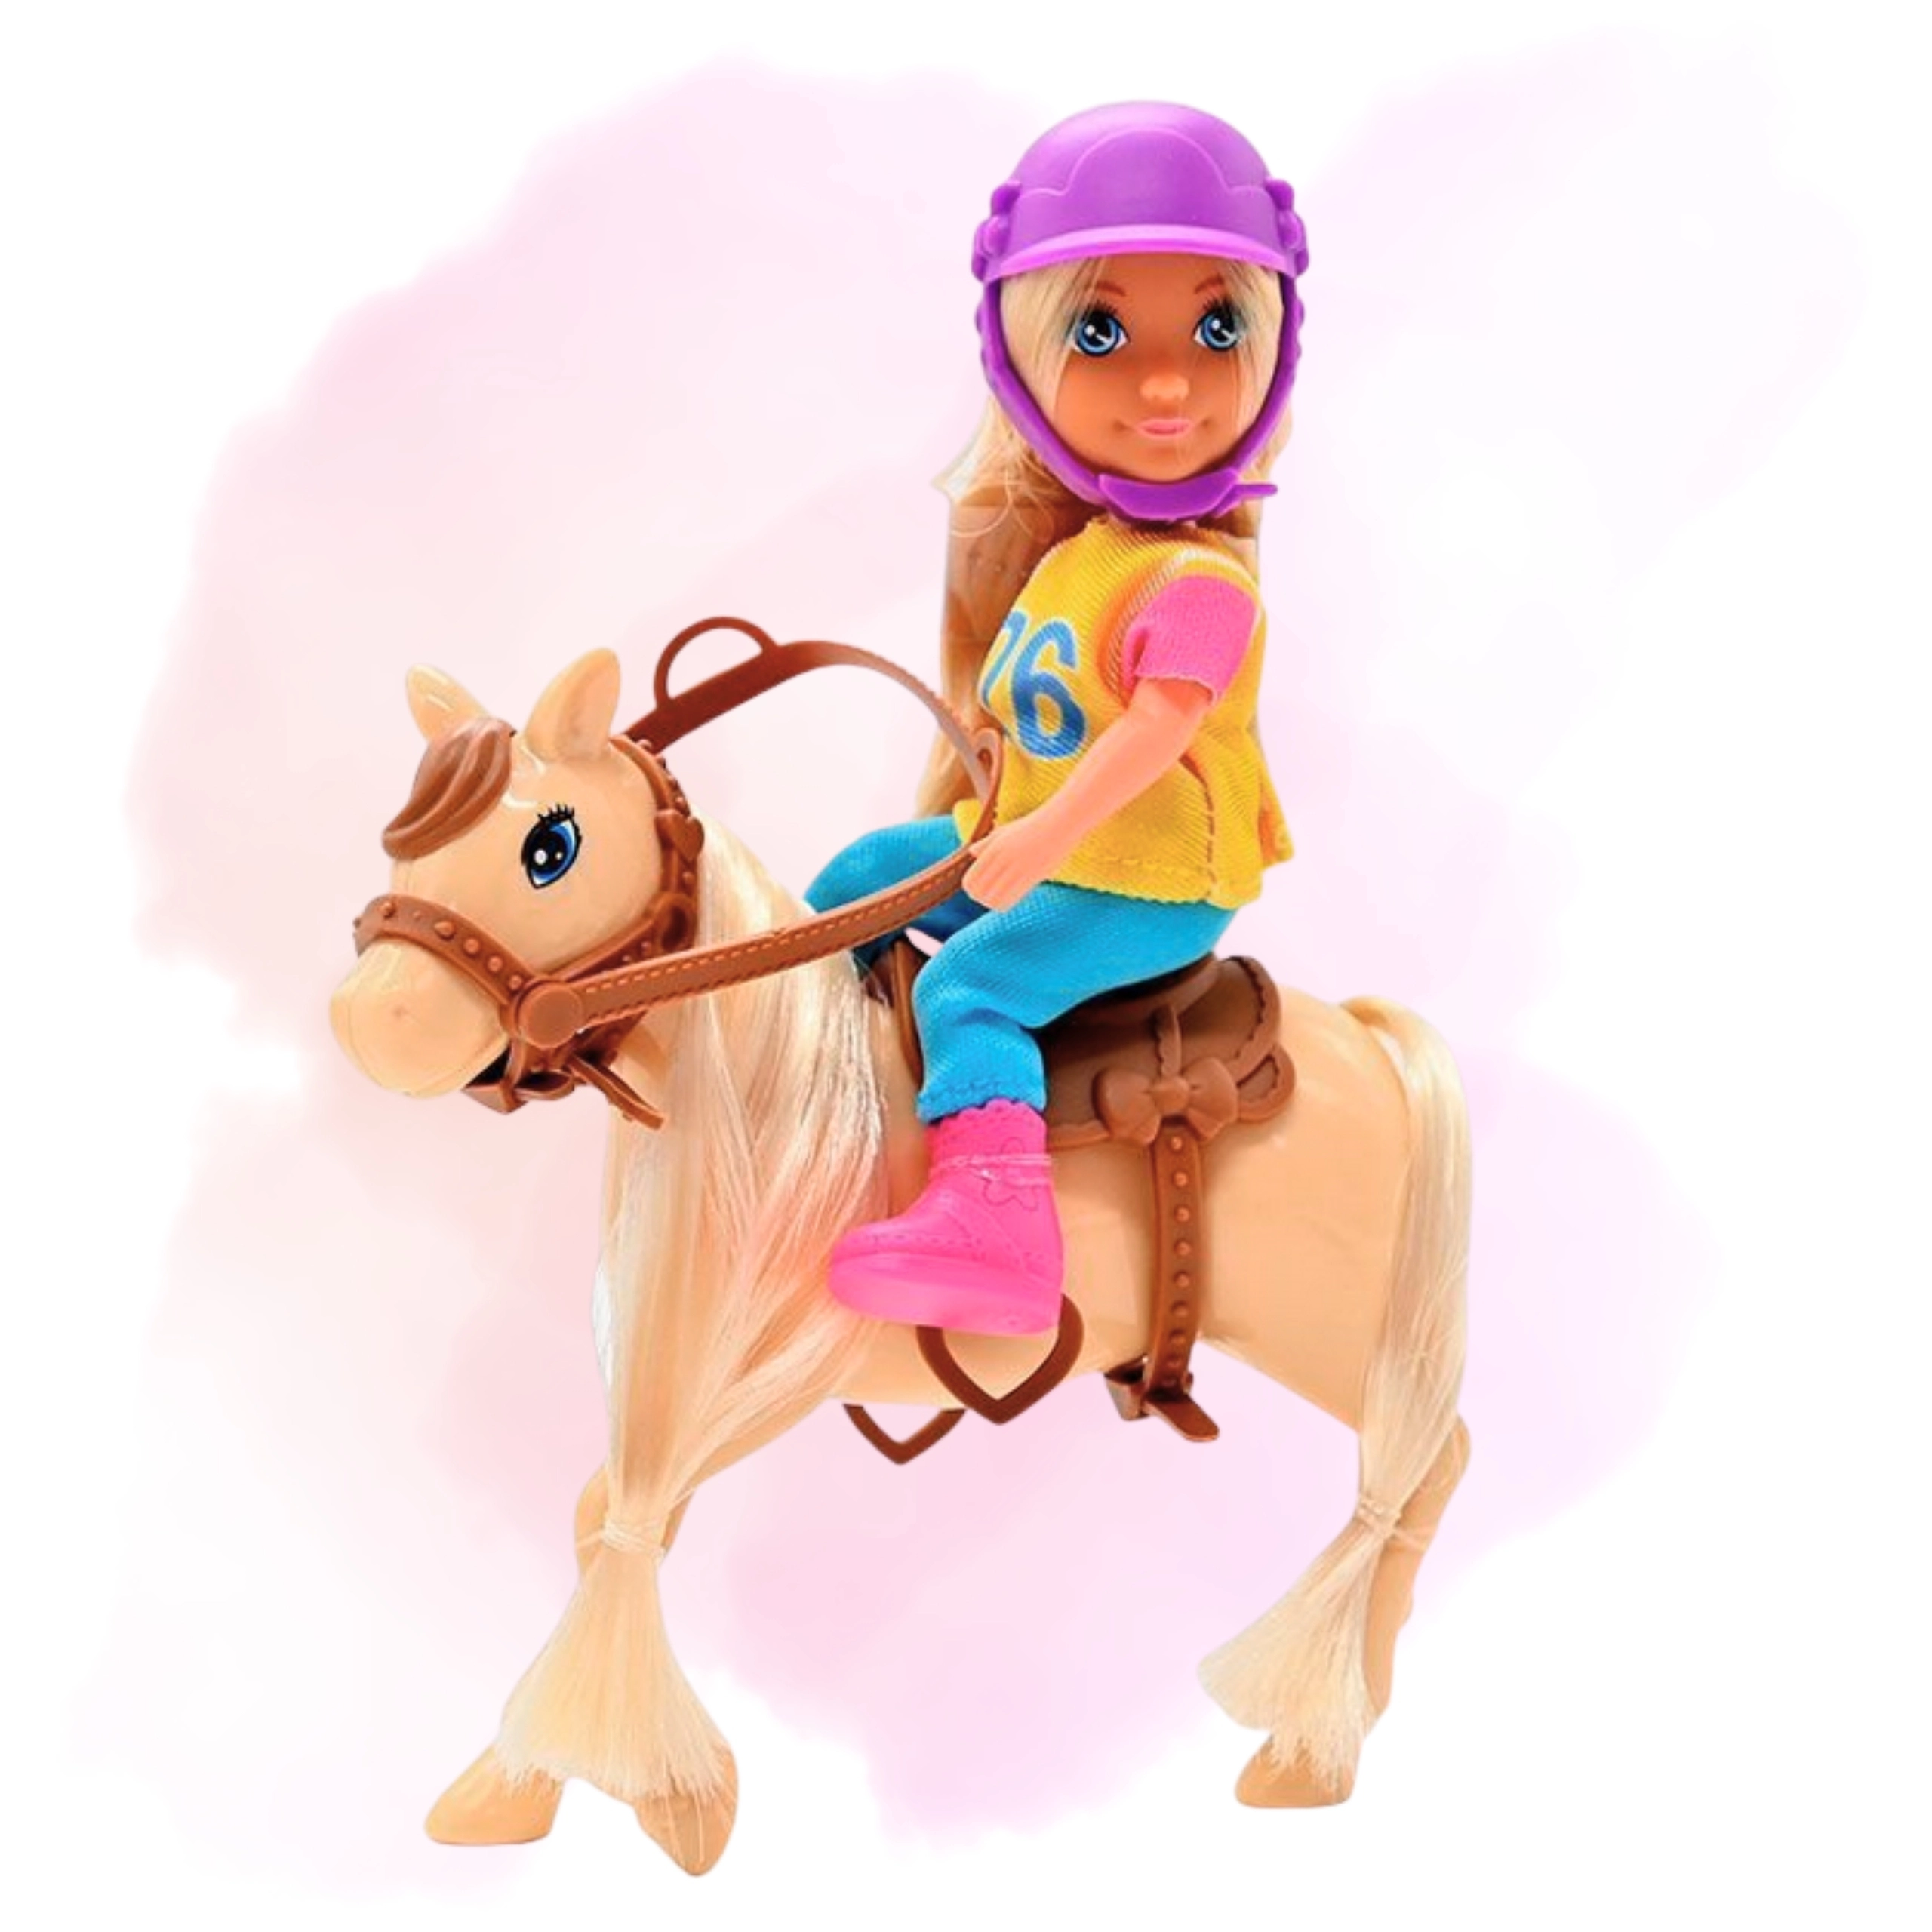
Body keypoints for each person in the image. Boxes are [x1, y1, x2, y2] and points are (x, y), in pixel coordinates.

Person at [805, 101, 1308, 1337]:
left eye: (1217, 329)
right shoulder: (1082, 553)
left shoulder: (1198, 585)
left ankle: (999, 1224)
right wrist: (997, 809)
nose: (1165, 382)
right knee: (861, 882)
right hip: (1045, 838)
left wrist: (1037, 842)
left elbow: (1154, 732)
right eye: (1099, 333)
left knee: (975, 986)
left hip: (1144, 876)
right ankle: (832, 1117)